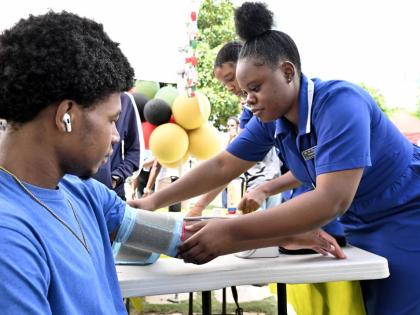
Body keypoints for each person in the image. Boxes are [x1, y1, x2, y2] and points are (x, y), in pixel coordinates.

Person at [130, 2, 420, 314]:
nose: (248, 100)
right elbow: (223, 164)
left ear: (287, 71)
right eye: (243, 92)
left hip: (404, 213)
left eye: (254, 88)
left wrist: (230, 232)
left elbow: (331, 199)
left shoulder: (341, 104)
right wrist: (153, 201)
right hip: (355, 219)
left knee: (394, 305)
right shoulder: (271, 119)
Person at [93, 92, 142, 200]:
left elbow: (136, 151)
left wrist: (116, 177)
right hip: (74, 194)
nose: (115, 136)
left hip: (112, 194)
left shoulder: (124, 99)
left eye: (114, 120)